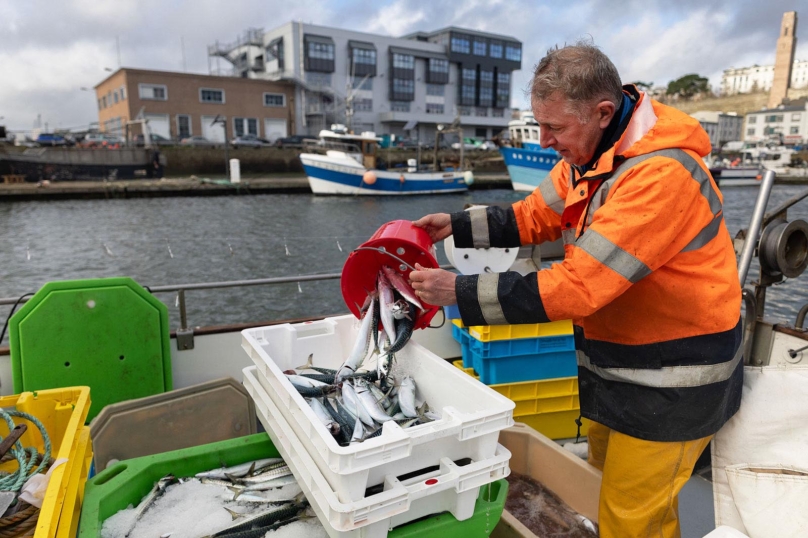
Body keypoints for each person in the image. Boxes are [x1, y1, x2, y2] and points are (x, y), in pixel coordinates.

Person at [409, 42, 742, 538]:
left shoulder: (659, 174)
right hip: (618, 373)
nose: (544, 141)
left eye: (555, 129)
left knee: (634, 523)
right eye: (540, 125)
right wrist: (454, 226)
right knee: (608, 490)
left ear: (603, 112)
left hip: (671, 388)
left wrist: (456, 290)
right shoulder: (593, 153)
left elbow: (579, 287)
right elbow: (535, 214)